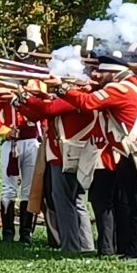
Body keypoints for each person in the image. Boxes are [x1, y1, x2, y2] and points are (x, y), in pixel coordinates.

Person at [53, 55, 137, 261]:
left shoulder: (118, 89)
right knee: (131, 201)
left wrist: (61, 88)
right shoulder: (129, 86)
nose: (99, 75)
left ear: (113, 73)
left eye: (103, 73)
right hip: (130, 151)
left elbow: (88, 103)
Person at [19, 92, 98, 255]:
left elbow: (48, 109)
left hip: (64, 157)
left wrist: (26, 98)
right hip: (68, 155)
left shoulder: (76, 97)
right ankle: (85, 245)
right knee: (76, 202)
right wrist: (18, 102)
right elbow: (39, 114)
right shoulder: (78, 96)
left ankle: (71, 247)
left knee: (64, 203)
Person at [0, 91, 42, 245]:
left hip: (32, 141)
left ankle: (26, 233)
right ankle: (8, 233)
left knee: (29, 189)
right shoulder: (3, 89)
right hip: (11, 143)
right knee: (8, 188)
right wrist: (4, 131)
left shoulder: (35, 87)